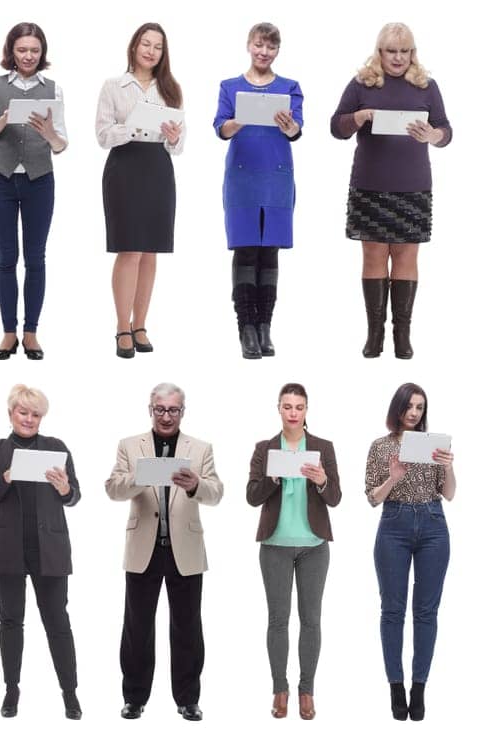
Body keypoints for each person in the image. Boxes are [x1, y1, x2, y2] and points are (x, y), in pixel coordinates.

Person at [331, 22, 452, 360]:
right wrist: (358, 117)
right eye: (391, 51)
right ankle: (375, 334)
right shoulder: (362, 83)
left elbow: (446, 129)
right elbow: (336, 126)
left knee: (406, 256)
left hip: (412, 185)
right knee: (372, 255)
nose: (398, 58)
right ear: (379, 51)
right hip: (370, 183)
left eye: (405, 51)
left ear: (412, 53)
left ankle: (402, 334)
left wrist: (433, 135)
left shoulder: (427, 86)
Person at [104, 383, 223, 721]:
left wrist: (196, 485)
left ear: (183, 412)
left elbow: (216, 492)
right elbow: (113, 488)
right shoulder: (130, 445)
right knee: (137, 628)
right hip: (144, 547)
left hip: (185, 549)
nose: (166, 415)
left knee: (187, 628)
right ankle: (134, 698)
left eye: (173, 409)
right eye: (160, 409)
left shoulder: (200, 448)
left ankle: (187, 699)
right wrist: (141, 477)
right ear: (150, 410)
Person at [0, 383, 82, 720]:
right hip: (7, 549)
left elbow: (74, 495)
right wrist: (6, 478)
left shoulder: (56, 447)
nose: (29, 419)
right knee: (10, 620)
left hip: (48, 548)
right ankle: (11, 690)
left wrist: (66, 488)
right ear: (11, 413)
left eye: (36, 414)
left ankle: (70, 694)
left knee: (58, 621)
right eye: (24, 412)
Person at [245, 382, 341, 721]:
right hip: (275, 545)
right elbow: (252, 497)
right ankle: (279, 689)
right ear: (279, 409)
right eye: (287, 406)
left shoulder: (322, 447)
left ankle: (307, 691)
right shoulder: (265, 448)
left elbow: (336, 498)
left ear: (306, 410)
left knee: (311, 621)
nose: (293, 413)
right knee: (277, 621)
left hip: (314, 545)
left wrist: (322, 480)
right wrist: (272, 478)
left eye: (299, 407)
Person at [365, 383, 455, 721]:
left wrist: (446, 466)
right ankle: (396, 687)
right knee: (392, 611)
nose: (415, 412)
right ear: (398, 408)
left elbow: (449, 494)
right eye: (410, 406)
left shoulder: (433, 446)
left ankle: (419, 688)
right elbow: (372, 497)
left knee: (426, 612)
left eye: (420, 407)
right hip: (394, 525)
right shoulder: (380, 446)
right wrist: (393, 477)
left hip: (433, 524)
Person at [0, 22, 67, 361]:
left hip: (39, 179)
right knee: (5, 258)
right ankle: (8, 333)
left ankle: (30, 333)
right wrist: (1, 121)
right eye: (22, 50)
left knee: (36, 258)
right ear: (11, 52)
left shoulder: (54, 89)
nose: (28, 56)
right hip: (0, 178)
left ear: (42, 52)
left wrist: (49, 133)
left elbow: (61, 144)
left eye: (34, 50)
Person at [214, 23, 303, 359]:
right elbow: (221, 127)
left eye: (271, 47)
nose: (264, 52)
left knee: (270, 252)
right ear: (249, 45)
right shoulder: (230, 87)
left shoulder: (290, 87)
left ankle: (265, 327)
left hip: (277, 175)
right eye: (259, 45)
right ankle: (246, 328)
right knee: (246, 249)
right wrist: (240, 119)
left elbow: (296, 131)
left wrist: (290, 125)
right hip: (242, 175)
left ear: (277, 51)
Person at [97, 22, 183, 359]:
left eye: (157, 46)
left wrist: (174, 136)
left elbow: (178, 144)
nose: (150, 51)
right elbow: (103, 135)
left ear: (164, 52)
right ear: (134, 47)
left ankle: (141, 323)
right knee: (129, 249)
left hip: (158, 168)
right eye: (145, 44)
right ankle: (122, 326)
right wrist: (133, 125)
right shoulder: (113, 86)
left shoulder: (170, 88)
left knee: (151, 251)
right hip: (125, 167)